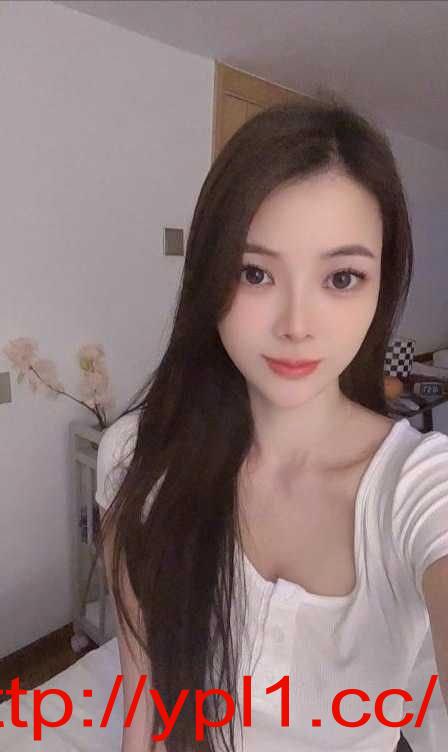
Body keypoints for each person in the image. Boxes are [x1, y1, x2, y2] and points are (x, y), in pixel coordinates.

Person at [94, 95, 448, 752]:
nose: (295, 324)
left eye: (341, 278)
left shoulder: (419, 487)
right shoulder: (136, 454)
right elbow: (146, 698)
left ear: (382, 287)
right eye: (254, 272)